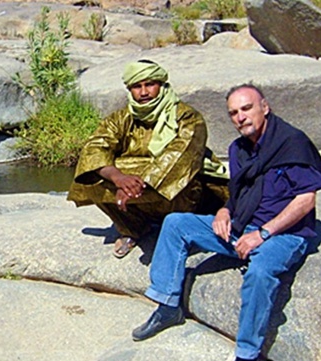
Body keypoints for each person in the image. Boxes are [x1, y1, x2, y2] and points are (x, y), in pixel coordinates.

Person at [131, 84, 321, 361]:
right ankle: (168, 305)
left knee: (261, 272)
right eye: (234, 113)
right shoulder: (239, 149)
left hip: (283, 234)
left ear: (264, 107)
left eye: (246, 108)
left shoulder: (292, 143)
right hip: (243, 225)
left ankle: (247, 357)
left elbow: (306, 200)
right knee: (174, 224)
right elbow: (238, 194)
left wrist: (263, 234)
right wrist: (225, 211)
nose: (240, 117)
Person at [68, 60, 228, 258]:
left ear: (161, 85)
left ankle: (186, 228)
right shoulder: (120, 118)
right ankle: (133, 228)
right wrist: (119, 179)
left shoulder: (187, 117)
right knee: (90, 179)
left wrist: (139, 185)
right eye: (137, 86)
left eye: (150, 84)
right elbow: (95, 148)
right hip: (137, 190)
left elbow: (179, 157)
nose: (144, 92)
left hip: (185, 194)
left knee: (180, 176)